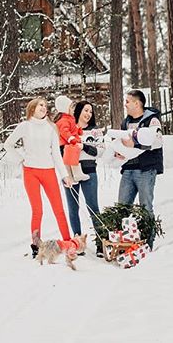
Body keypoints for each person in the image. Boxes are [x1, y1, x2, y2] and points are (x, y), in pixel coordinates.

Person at [4, 97, 74, 258]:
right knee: (37, 210)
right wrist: (20, 159)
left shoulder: (51, 128)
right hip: (31, 172)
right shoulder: (25, 126)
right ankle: (36, 246)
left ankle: (68, 242)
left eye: (45, 105)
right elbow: (8, 144)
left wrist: (64, 176)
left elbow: (57, 154)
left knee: (59, 209)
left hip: (48, 171)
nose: (44, 107)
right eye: (40, 105)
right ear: (32, 108)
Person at [115, 89, 164, 250]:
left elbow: (157, 142)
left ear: (137, 103)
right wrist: (120, 152)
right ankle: (124, 242)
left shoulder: (152, 120)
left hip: (146, 170)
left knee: (145, 207)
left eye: (128, 101)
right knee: (122, 207)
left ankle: (148, 243)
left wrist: (135, 144)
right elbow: (123, 142)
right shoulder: (125, 122)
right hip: (128, 169)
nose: (125, 104)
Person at [64, 100, 105, 257]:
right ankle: (77, 243)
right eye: (86, 110)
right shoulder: (68, 128)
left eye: (91, 111)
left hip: (89, 172)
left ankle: (101, 243)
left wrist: (84, 147)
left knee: (93, 208)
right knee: (73, 209)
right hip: (70, 172)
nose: (88, 114)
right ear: (79, 111)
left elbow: (100, 152)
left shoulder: (95, 131)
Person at [54, 95, 90, 182]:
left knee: (67, 162)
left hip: (67, 143)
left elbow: (72, 129)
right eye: (71, 108)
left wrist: (78, 130)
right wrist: (71, 139)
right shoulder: (63, 120)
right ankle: (76, 174)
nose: (73, 110)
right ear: (65, 109)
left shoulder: (68, 118)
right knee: (71, 157)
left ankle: (70, 178)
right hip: (66, 144)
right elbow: (65, 132)